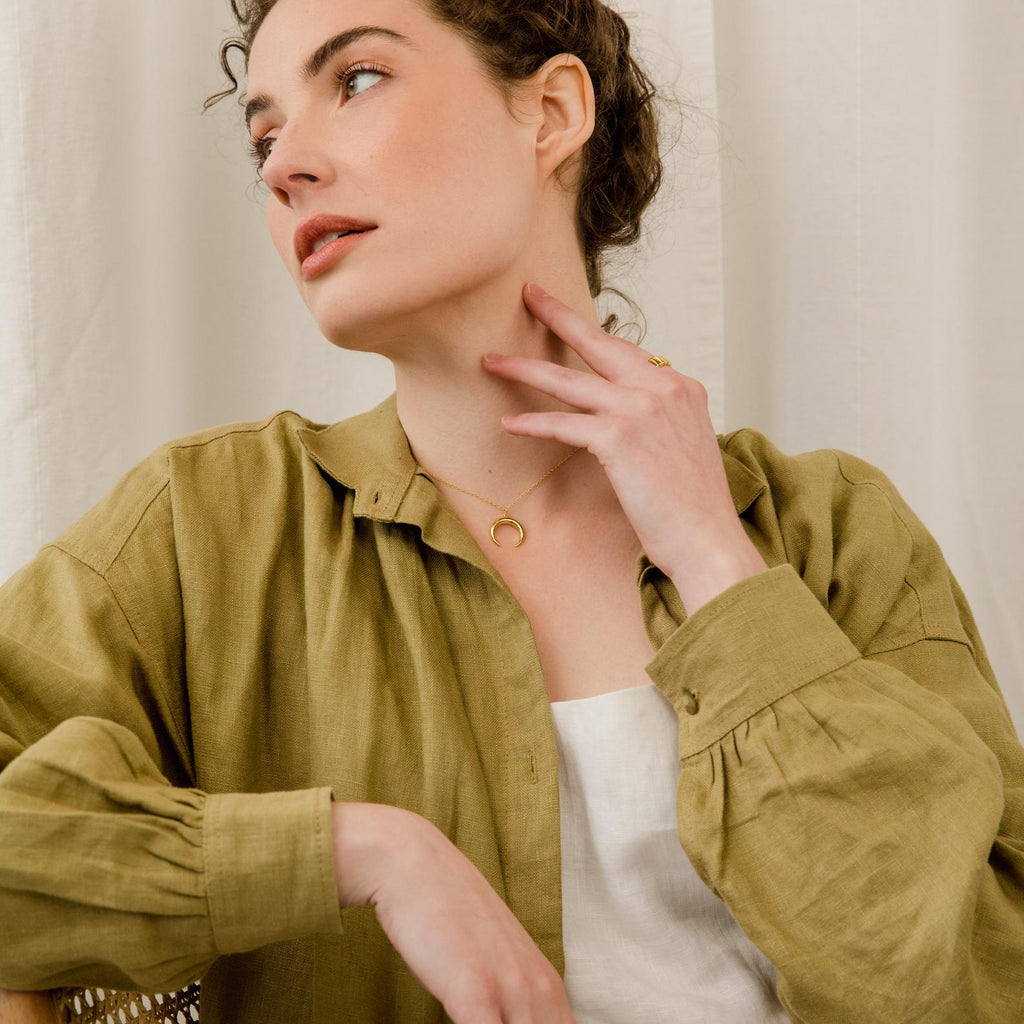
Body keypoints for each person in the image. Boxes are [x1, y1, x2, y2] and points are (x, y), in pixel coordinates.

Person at [1, 0, 1022, 1021]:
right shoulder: (205, 530)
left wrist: (717, 562)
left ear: (551, 113)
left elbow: (968, 979)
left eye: (356, 80)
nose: (284, 167)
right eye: (264, 137)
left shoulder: (827, 529)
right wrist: (364, 852)